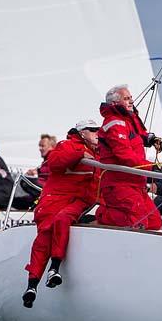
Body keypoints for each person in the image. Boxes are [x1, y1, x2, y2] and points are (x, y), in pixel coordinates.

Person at [22, 120, 99, 308]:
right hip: (53, 202)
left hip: (76, 203)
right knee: (44, 238)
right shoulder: (67, 145)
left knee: (60, 222)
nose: (98, 133)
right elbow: (56, 163)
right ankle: (33, 285)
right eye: (93, 130)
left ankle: (52, 270)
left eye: (98, 130)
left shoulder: (100, 151)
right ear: (82, 133)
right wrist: (81, 153)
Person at [96, 84, 162, 230]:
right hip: (120, 184)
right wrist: (151, 167)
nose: (131, 101)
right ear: (114, 103)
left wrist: (151, 139)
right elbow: (124, 155)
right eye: (126, 98)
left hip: (136, 183)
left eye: (131, 97)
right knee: (138, 223)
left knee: (154, 223)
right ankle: (102, 213)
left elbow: (138, 136)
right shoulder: (114, 123)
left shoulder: (128, 120)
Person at [12, 133, 57, 211]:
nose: (40, 148)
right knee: (15, 200)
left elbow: (53, 174)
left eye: (43, 146)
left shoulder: (54, 158)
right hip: (40, 194)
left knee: (25, 182)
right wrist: (36, 171)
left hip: (48, 193)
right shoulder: (45, 161)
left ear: (51, 147)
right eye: (39, 146)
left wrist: (36, 172)